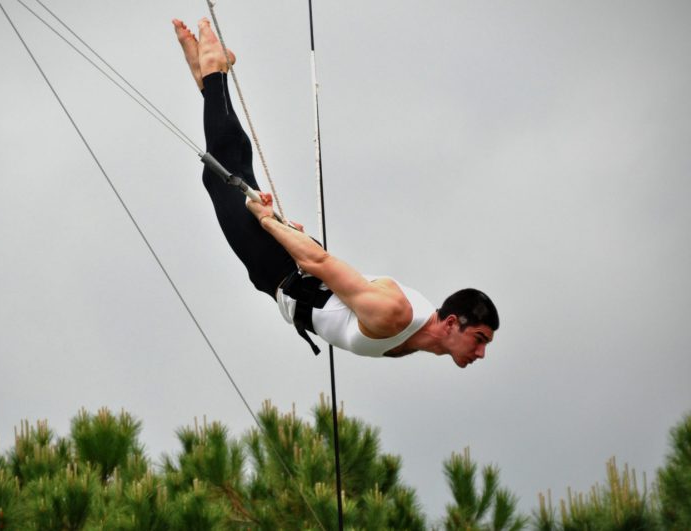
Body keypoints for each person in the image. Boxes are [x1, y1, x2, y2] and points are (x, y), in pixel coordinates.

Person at [173, 18, 499, 367]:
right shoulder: (396, 314)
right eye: (478, 339)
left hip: (287, 275)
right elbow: (320, 263)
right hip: (282, 267)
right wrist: (270, 224)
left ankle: (212, 81)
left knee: (234, 171)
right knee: (220, 176)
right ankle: (212, 71)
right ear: (452, 323)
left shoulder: (416, 331)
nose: (480, 352)